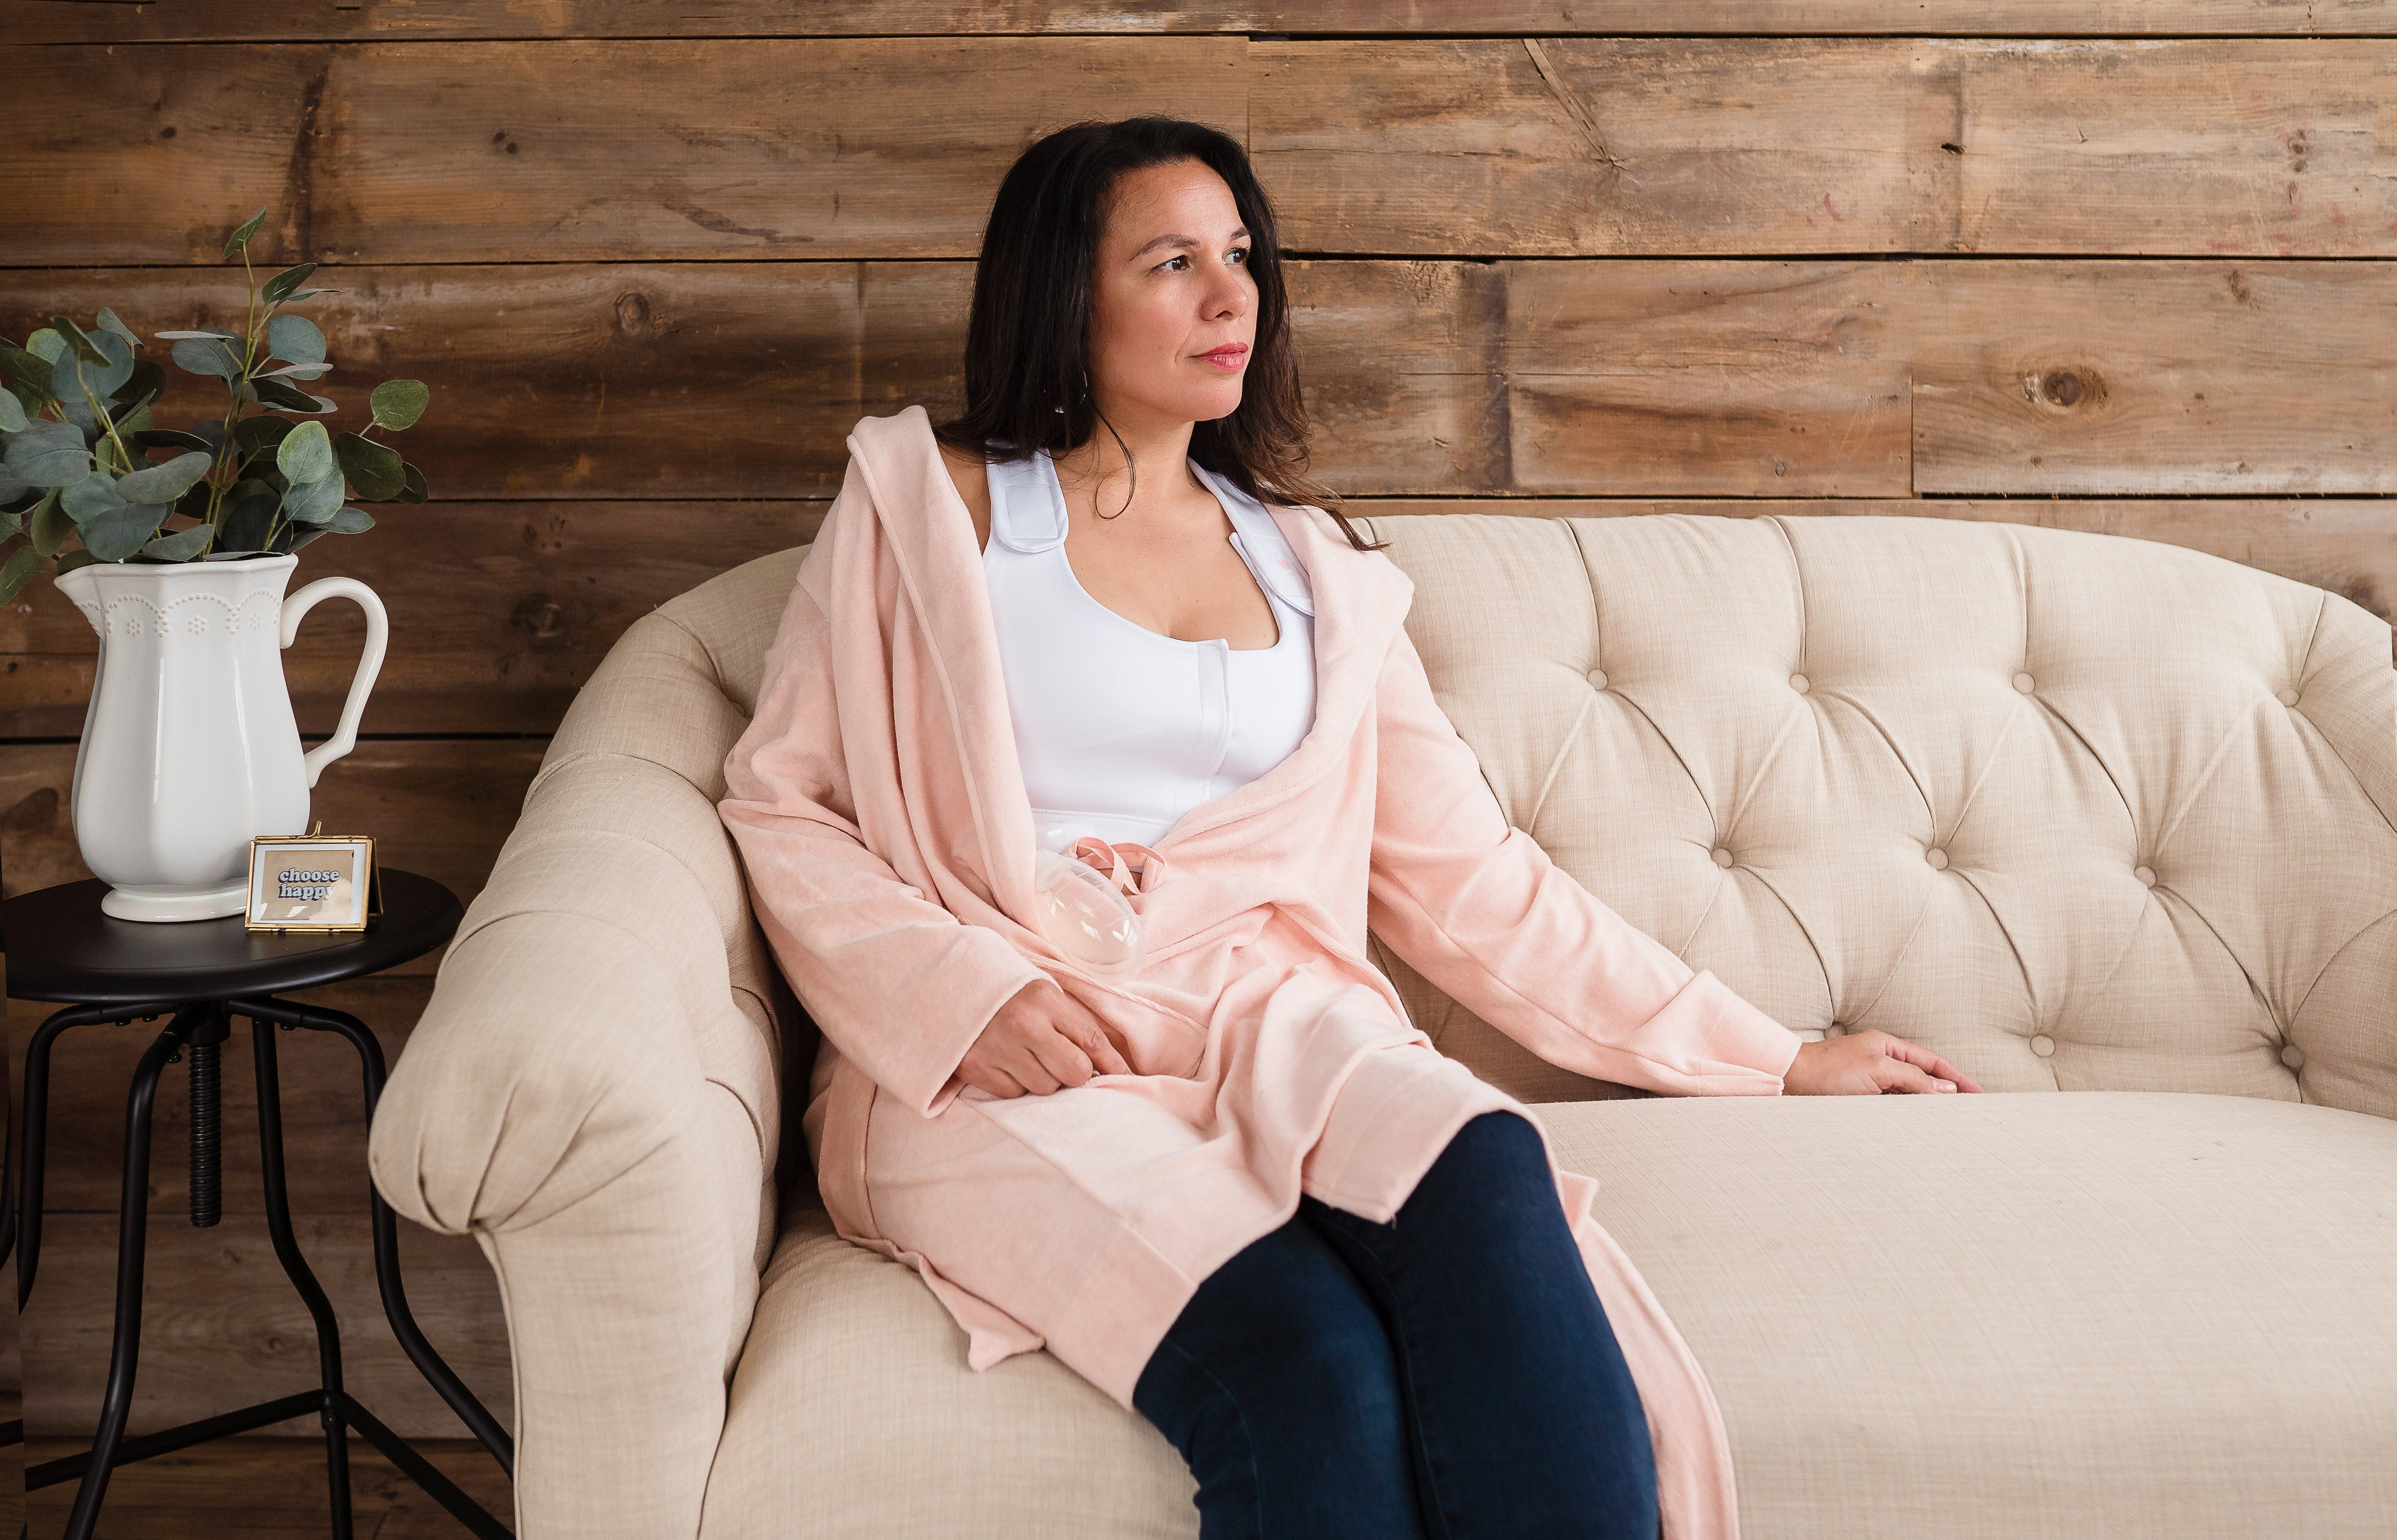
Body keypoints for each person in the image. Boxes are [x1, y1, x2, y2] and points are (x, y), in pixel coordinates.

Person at [717, 116, 1983, 1540]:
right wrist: (965, 993)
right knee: (1316, 1367)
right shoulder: (926, 507)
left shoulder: (1315, 567)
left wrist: (1779, 1057)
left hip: (1276, 1021)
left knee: (1483, 1171)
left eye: (1242, 257)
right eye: (1173, 261)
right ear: (1066, 294)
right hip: (1015, 1058)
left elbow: (1479, 887)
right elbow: (787, 800)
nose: (1229, 297)